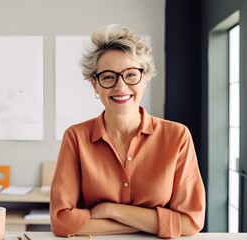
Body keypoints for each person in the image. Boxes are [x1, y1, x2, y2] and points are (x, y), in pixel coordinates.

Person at [50, 24, 205, 239]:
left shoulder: (177, 136)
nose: (121, 87)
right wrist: (150, 222)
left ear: (145, 78)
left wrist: (113, 210)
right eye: (108, 77)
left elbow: (190, 222)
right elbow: (61, 222)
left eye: (131, 75)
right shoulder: (76, 137)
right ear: (95, 85)